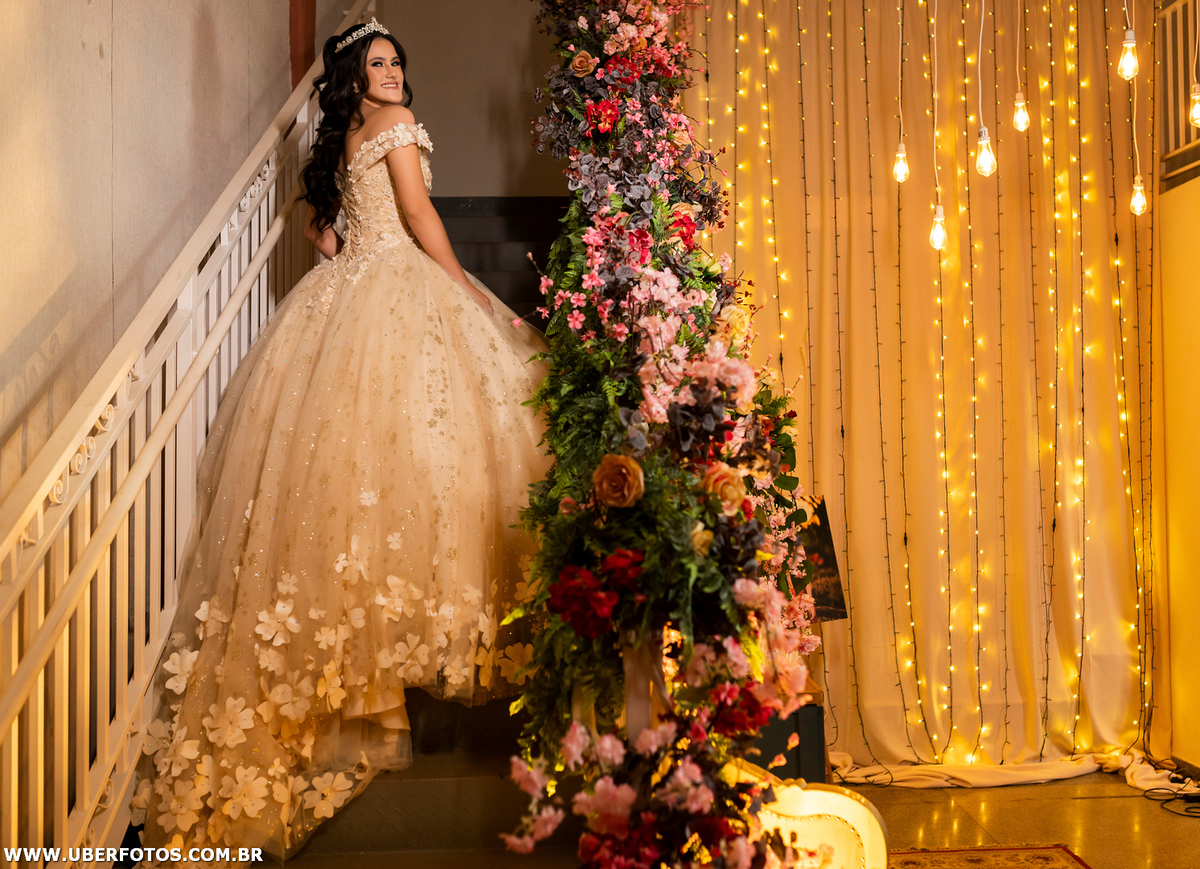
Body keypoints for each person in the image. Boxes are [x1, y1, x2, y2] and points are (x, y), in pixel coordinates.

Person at [131, 18, 549, 861]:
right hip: (397, 285)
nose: (393, 74)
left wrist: (358, 253)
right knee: (430, 454)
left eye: (398, 61)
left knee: (350, 475)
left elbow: (328, 239)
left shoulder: (349, 133)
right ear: (354, 78)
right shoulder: (391, 129)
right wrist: (468, 292)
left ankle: (346, 661)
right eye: (377, 63)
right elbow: (423, 214)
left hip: (344, 295)